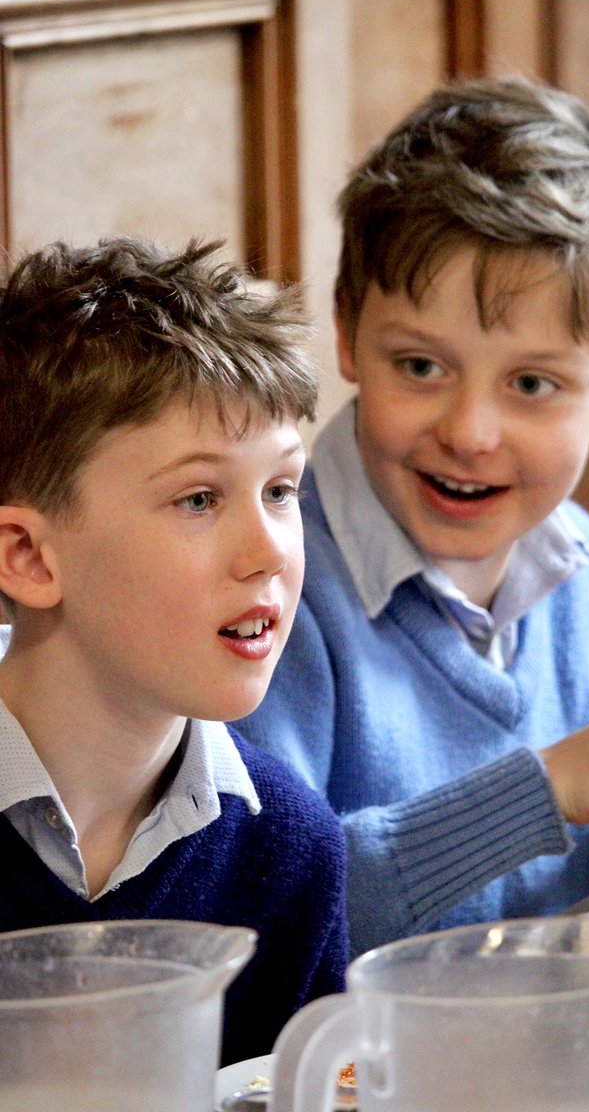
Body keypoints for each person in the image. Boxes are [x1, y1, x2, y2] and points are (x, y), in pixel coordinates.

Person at [239, 77, 589, 958]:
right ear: (347, 334)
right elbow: (265, 916)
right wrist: (547, 789)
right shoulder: (266, 585)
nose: (469, 432)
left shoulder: (581, 563)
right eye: (420, 366)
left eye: (532, 384)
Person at [0, 237, 348, 1064]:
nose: (268, 552)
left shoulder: (290, 847)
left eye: (280, 491)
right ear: (29, 557)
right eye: (199, 498)